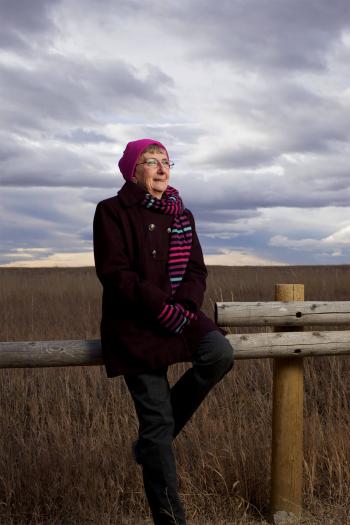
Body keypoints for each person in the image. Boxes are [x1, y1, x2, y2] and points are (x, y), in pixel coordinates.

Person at [93, 139, 234, 525]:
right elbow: (115, 274)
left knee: (220, 353)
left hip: (179, 318)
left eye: (165, 161)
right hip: (135, 324)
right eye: (150, 161)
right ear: (132, 171)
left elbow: (196, 271)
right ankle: (171, 519)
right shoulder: (111, 211)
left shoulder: (182, 215)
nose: (160, 167)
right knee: (157, 427)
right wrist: (160, 306)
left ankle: (150, 444)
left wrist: (185, 307)